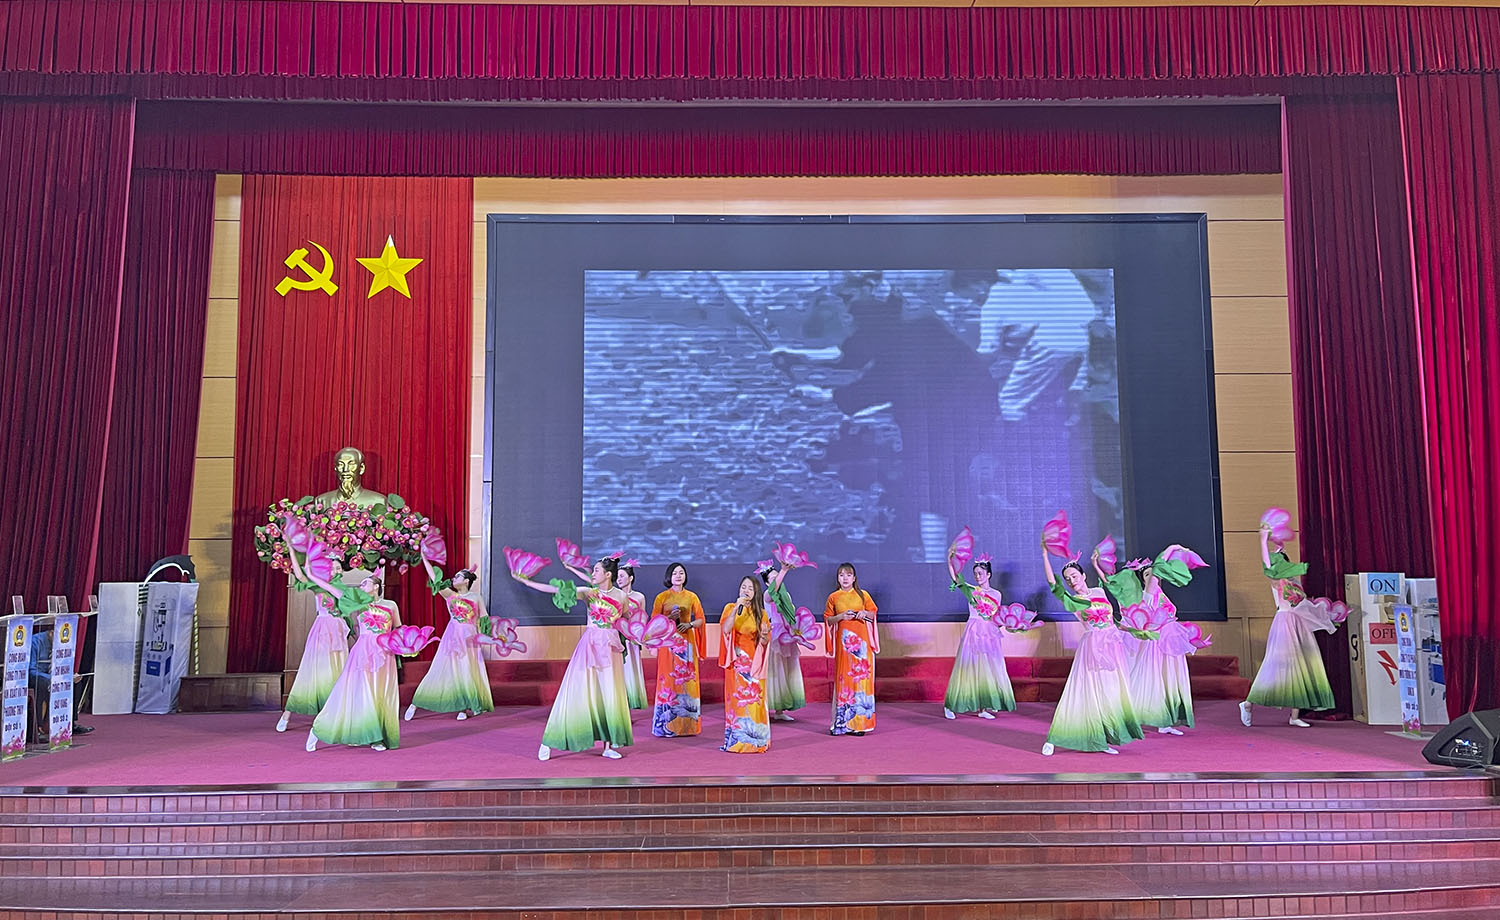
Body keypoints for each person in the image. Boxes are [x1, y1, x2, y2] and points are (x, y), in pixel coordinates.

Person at [513, 557, 633, 760]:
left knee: (609, 695)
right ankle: (549, 741)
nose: (592, 574)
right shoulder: (589, 593)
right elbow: (557, 590)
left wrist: (642, 634)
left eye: (596, 570)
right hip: (590, 647)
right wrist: (527, 582)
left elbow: (628, 620)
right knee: (574, 692)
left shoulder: (622, 596)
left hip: (611, 649)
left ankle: (607, 745)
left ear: (608, 574)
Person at [292, 544, 402, 753]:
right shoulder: (357, 603)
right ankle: (320, 730)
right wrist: (311, 573)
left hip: (385, 654)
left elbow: (398, 629)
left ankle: (376, 735)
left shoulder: (390, 605)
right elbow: (330, 588)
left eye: (365, 582)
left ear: (376, 586)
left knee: (381, 694)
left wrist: (405, 644)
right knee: (357, 693)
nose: (361, 585)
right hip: (363, 652)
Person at [1040, 544, 1143, 755]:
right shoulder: (1074, 600)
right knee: (1082, 692)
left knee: (1111, 692)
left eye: (1074, 576)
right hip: (1093, 647)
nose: (1071, 581)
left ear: (1083, 575)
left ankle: (1104, 737)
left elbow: (1112, 620)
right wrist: (1044, 554)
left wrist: (1133, 630)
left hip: (1112, 644)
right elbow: (1053, 584)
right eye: (1068, 579)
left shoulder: (1099, 591)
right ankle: (1054, 738)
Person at [1240, 524, 1341, 728]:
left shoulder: (1294, 582)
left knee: (1301, 667)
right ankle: (1248, 703)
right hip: (1284, 623)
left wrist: (1327, 617)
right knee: (1276, 666)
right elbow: (1267, 564)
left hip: (1298, 624)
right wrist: (1262, 540)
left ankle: (1294, 715)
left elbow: (1304, 605)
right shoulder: (1277, 582)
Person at [1096, 547, 1204, 736]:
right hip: (1158, 644)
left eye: (1152, 574)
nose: (1152, 576)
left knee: (1169, 682)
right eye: (1147, 574)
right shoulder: (1149, 593)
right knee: (1157, 682)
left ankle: (1164, 721)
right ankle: (1152, 719)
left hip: (1168, 643)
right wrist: (1174, 548)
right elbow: (1157, 567)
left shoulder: (1160, 593)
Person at [405, 561, 494, 723]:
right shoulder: (451, 595)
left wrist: (487, 637)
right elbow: (435, 579)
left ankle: (462, 707)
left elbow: (483, 619)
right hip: (452, 636)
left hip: (469, 638)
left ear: (466, 581)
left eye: (457, 576)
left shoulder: (476, 597)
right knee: (439, 669)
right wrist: (424, 559)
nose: (453, 578)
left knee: (466, 671)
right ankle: (416, 703)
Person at [276, 571, 351, 734]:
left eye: (338, 568)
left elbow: (350, 613)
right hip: (322, 630)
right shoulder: (318, 587)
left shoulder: (344, 590)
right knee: (309, 672)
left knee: (338, 673)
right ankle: (286, 715)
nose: (336, 571)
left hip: (338, 632)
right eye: (333, 568)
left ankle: (331, 717)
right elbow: (301, 577)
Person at [942, 555, 1015, 720]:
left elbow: (995, 616)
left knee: (987, 670)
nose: (977, 576)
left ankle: (983, 708)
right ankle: (950, 705)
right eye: (975, 573)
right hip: (974, 630)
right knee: (966, 669)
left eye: (980, 573)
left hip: (989, 633)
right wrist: (949, 560)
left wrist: (1010, 624)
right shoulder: (972, 590)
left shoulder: (997, 594)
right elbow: (956, 578)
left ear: (988, 574)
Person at [650, 563, 707, 738]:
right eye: (675, 573)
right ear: (669, 576)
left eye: (681, 573)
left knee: (687, 681)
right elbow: (654, 622)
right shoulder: (662, 597)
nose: (678, 575)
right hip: (668, 643)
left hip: (686, 643)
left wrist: (689, 624)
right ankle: (665, 725)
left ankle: (688, 726)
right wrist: (668, 618)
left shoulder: (691, 597)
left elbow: (701, 619)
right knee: (667, 680)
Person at [823, 563, 878, 735]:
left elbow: (873, 613)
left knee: (861, 681)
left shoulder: (863, 595)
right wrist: (840, 616)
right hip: (844, 645)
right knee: (844, 680)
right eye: (841, 575)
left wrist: (864, 614)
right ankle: (841, 723)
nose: (845, 578)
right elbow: (828, 619)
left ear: (854, 578)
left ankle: (859, 724)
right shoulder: (833, 597)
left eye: (848, 575)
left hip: (862, 645)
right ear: (837, 578)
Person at [719, 575, 772, 753]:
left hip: (754, 662)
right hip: (736, 662)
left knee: (755, 700)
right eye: (743, 587)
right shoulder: (730, 608)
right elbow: (726, 630)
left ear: (756, 592)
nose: (746, 591)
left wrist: (764, 636)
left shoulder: (761, 613)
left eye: (750, 588)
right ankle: (737, 741)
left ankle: (757, 741)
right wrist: (736, 608)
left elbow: (765, 641)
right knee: (738, 701)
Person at [761, 561, 805, 722]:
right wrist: (784, 570)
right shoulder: (767, 595)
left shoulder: (787, 596)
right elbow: (773, 590)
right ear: (767, 583)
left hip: (787, 635)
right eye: (773, 578)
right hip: (774, 636)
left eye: (778, 576)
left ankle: (780, 710)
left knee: (785, 671)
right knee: (774, 671)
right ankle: (765, 707)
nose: (778, 579)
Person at [615, 563, 650, 712]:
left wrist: (641, 636)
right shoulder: (614, 596)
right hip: (618, 637)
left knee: (632, 667)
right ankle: (620, 701)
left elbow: (643, 618)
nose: (619, 579)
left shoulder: (639, 597)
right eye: (617, 577)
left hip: (633, 639)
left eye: (622, 576)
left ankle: (633, 699)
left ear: (630, 578)